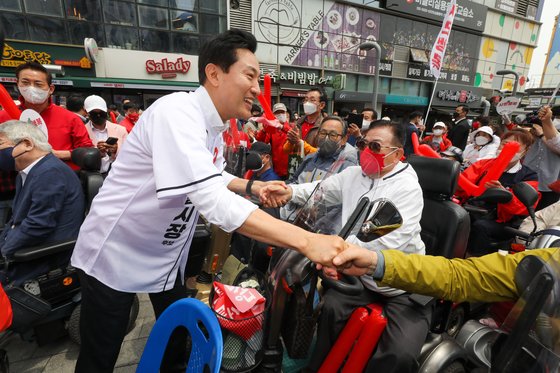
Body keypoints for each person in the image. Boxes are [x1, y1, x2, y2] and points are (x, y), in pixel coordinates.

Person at [70, 29, 351, 373]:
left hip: (162, 254)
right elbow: (212, 199)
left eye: (258, 78)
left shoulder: (215, 129)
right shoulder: (177, 113)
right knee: (102, 353)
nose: (255, 88)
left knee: (175, 340)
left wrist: (251, 189)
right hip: (116, 252)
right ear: (214, 73)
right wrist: (308, 241)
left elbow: (213, 175)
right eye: (249, 75)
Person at [262, 120, 429, 373]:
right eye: (362, 144)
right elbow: (319, 191)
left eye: (375, 146)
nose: (365, 151)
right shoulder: (354, 175)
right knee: (328, 309)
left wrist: (335, 253)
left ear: (397, 154)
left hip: (401, 285)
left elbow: (388, 240)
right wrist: (288, 192)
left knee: (400, 353)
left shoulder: (407, 188)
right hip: (358, 276)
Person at [0, 120, 84, 286]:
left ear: (27, 144)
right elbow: (16, 221)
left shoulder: (50, 172)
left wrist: (4, 251)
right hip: (27, 249)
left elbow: (38, 225)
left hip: (41, 256)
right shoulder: (27, 173)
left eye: (1, 143)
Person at [330, 246, 559, 304]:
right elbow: (460, 276)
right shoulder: (553, 260)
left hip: (397, 295)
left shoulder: (407, 189)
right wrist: (375, 262)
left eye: (376, 146)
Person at [458, 129, 539, 256]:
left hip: (502, 221)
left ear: (525, 150)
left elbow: (523, 208)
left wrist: (506, 196)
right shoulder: (483, 164)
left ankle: (475, 263)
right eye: (504, 144)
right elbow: (462, 185)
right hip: (472, 210)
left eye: (515, 146)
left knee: (480, 226)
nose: (507, 148)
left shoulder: (528, 176)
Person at [0, 62, 94, 169]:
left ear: (51, 89)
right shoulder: (3, 117)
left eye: (38, 84)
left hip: (59, 179)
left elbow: (88, 151)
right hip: (12, 182)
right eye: (25, 83)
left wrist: (57, 154)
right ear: (18, 84)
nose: (31, 88)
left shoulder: (70, 118)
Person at [287, 116, 357, 184]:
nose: (326, 138)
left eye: (333, 135)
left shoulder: (347, 163)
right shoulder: (310, 157)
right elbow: (294, 181)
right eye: (323, 133)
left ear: (343, 140)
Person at [525, 106, 560, 210]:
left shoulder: (548, 131)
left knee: (543, 212)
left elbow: (556, 145)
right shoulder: (535, 129)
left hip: (549, 181)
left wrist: (542, 134)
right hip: (528, 177)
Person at [83, 95, 128, 174]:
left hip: (117, 173)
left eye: (101, 112)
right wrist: (97, 153)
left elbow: (129, 153)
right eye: (94, 113)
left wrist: (116, 150)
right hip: (91, 175)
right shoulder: (82, 131)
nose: (98, 115)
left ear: (106, 111)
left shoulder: (120, 130)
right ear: (86, 112)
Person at [283, 88, 325, 156]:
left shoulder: (324, 126)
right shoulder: (298, 123)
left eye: (312, 100)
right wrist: (290, 142)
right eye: (306, 100)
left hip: (312, 165)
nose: (307, 103)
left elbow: (322, 153)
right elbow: (286, 150)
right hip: (297, 165)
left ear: (321, 105)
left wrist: (300, 143)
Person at [254, 102, 289, 179]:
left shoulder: (291, 127)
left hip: (290, 168)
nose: (280, 114)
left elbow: (293, 134)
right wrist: (264, 129)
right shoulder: (272, 130)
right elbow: (262, 142)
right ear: (274, 115)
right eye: (277, 113)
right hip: (276, 168)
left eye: (282, 112)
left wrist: (281, 127)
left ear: (286, 113)